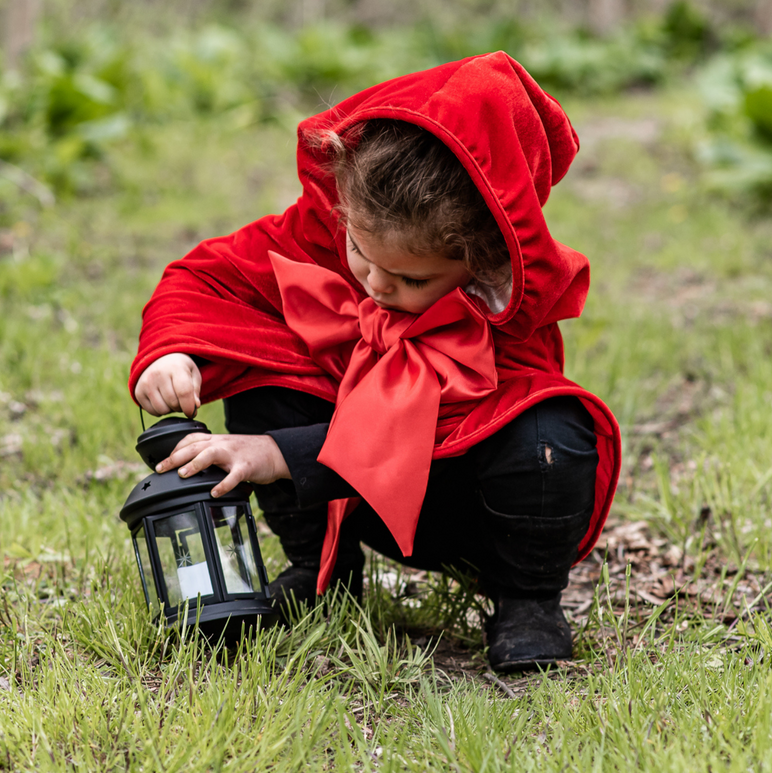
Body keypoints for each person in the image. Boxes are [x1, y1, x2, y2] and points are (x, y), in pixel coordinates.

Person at [129, 53, 620, 672]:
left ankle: (526, 600)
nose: (376, 284)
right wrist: (174, 352)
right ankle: (318, 569)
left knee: (550, 429)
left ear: (486, 257)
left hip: (458, 502)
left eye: (412, 278)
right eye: (360, 250)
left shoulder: (508, 309)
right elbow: (207, 278)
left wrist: (277, 454)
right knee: (266, 365)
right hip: (343, 499)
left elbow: (439, 430)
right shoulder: (319, 232)